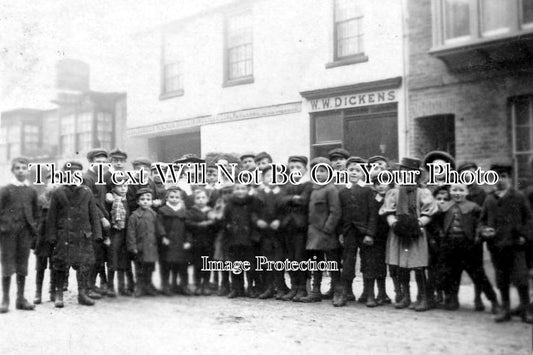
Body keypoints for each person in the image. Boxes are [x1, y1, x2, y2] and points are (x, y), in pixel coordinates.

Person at [379, 157, 438, 312]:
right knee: (401, 267)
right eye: (403, 172)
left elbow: (429, 212)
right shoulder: (394, 193)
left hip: (416, 233)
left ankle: (423, 297)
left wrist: (417, 223)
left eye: (410, 173)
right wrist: (394, 223)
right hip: (398, 233)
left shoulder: (423, 193)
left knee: (418, 266)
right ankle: (405, 296)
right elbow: (388, 211)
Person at [479, 163, 533, 323]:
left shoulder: (518, 196)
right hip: (497, 247)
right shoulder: (489, 199)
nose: (500, 180)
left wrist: (525, 236)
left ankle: (526, 309)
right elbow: (481, 222)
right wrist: (484, 231)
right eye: (496, 177)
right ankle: (506, 308)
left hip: (516, 246)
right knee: (502, 280)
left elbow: (529, 219)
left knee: (521, 279)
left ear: (509, 178)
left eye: (503, 176)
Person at [435, 183, 499, 313]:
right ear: (450, 191)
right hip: (450, 246)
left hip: (468, 247)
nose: (457, 193)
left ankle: (494, 301)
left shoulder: (474, 207)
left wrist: (478, 235)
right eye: (454, 190)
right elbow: (437, 223)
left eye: (461, 190)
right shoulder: (445, 208)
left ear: (466, 192)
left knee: (479, 275)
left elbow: (482, 222)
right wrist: (441, 233)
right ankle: (453, 299)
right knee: (452, 274)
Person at [46, 161, 102, 308]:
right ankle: (59, 294)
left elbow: (94, 215)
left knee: (84, 264)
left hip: (83, 235)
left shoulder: (86, 192)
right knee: (60, 264)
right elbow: (51, 216)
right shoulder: (58, 192)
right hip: (64, 235)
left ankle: (82, 294)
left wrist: (97, 234)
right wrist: (52, 235)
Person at [334, 157, 378, 307]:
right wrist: (341, 232)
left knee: (368, 261)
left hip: (364, 232)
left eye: (358, 170)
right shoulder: (342, 191)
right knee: (347, 262)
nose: (354, 172)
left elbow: (373, 214)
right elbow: (339, 214)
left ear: (363, 172)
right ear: (346, 171)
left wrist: (370, 234)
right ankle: (345, 293)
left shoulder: (367, 190)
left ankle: (370, 294)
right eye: (351, 169)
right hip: (349, 232)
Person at [0, 157, 39, 313]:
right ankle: (5, 299)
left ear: (28, 171)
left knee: (22, 265)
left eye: (24, 168)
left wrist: (33, 229)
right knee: (8, 265)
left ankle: (20, 299)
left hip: (25, 233)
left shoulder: (31, 191)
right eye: (18, 168)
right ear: (13, 171)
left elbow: (36, 213)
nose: (21, 170)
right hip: (8, 234)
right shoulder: (5, 190)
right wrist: (3, 227)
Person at [300, 157, 341, 303]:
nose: (319, 174)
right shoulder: (312, 189)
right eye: (316, 171)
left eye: (322, 171)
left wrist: (327, 229)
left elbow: (335, 212)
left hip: (327, 234)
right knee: (315, 262)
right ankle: (315, 291)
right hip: (313, 234)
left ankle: (337, 292)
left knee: (332, 264)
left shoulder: (331, 189)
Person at [278, 155, 312, 302]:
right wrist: (293, 199)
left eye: (298, 167)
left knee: (300, 258)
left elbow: (304, 201)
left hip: (300, 227)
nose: (295, 170)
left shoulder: (308, 185)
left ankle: (302, 288)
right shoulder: (286, 185)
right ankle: (293, 287)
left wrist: (289, 200)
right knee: (290, 258)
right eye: (292, 168)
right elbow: (280, 201)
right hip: (287, 227)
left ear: (305, 169)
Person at [457, 161, 490, 311]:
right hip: (458, 236)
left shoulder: (481, 193)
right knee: (456, 268)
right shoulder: (457, 191)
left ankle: (478, 298)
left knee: (477, 269)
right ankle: (453, 297)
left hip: (474, 236)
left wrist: (479, 233)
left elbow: (483, 216)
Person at [253, 165, 287, 300]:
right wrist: (257, 221)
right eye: (268, 176)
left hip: (278, 232)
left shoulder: (283, 193)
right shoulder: (258, 194)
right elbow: (253, 212)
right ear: (263, 178)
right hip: (264, 232)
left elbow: (286, 212)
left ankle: (280, 287)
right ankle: (268, 287)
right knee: (266, 260)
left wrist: (279, 221)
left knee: (278, 260)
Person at [127, 188, 166, 297]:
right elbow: (131, 233)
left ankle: (148, 286)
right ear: (138, 202)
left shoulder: (153, 214)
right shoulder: (134, 216)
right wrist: (132, 246)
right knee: (140, 269)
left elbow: (159, 228)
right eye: (142, 199)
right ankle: (139, 287)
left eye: (148, 199)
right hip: (140, 248)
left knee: (150, 267)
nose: (145, 201)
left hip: (152, 247)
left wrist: (163, 237)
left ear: (151, 201)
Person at [83, 148, 111, 298]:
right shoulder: (88, 178)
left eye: (104, 162)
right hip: (92, 221)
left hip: (100, 220)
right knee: (92, 255)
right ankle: (88, 287)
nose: (101, 164)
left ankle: (93, 285)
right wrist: (102, 218)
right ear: (91, 162)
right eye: (98, 162)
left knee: (99, 255)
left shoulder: (100, 177)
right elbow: (91, 202)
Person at [223, 181, 256, 298]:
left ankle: (250, 288)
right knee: (235, 265)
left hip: (249, 239)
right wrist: (229, 228)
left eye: (243, 189)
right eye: (237, 189)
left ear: (247, 191)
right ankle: (237, 289)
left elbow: (255, 219)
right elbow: (225, 219)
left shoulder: (251, 203)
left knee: (250, 265)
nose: (240, 191)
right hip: (234, 239)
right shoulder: (230, 204)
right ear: (233, 191)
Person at [157, 187, 191, 296]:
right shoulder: (163, 210)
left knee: (181, 265)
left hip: (180, 242)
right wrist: (163, 236)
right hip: (168, 241)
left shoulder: (184, 212)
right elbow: (159, 225)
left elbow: (189, 228)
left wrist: (188, 240)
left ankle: (181, 286)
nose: (174, 199)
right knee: (166, 264)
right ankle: (165, 286)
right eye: (172, 197)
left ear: (181, 199)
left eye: (177, 197)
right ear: (167, 198)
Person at [186, 189, 217, 296]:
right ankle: (198, 284)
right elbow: (188, 224)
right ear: (194, 200)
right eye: (198, 198)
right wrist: (199, 225)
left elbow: (216, 225)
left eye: (203, 197)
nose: (200, 200)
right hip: (196, 242)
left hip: (209, 242)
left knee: (207, 264)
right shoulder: (191, 211)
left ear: (207, 199)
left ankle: (206, 284)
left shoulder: (211, 211)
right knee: (197, 264)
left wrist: (212, 222)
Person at [33, 173, 57, 304]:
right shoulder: (40, 199)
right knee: (40, 267)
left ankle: (53, 291)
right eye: (52, 182)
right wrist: (34, 241)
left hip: (55, 239)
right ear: (47, 184)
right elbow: (34, 221)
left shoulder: (61, 199)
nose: (54, 185)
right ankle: (38, 293)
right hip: (41, 239)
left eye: (58, 182)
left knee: (55, 266)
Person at [106, 180, 130, 297]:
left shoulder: (126, 200)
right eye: (120, 186)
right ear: (114, 187)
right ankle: (110, 286)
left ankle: (122, 287)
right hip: (114, 233)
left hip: (125, 233)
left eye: (125, 186)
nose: (123, 188)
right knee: (113, 260)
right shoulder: (111, 200)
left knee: (123, 261)